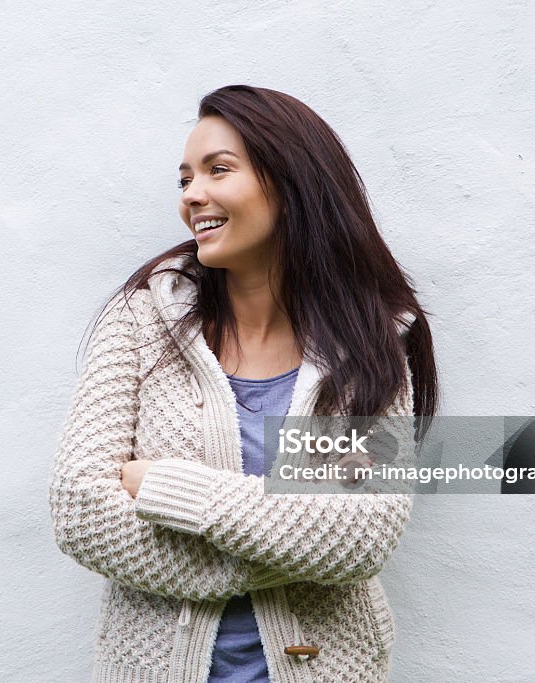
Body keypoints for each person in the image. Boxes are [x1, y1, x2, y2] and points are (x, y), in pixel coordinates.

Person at [48, 84, 438, 683]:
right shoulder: (142, 318)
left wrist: (168, 489)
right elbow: (82, 513)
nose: (192, 196)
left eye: (218, 170)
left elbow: (363, 535)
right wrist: (297, 541)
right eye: (184, 180)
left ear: (291, 182)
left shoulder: (369, 342)